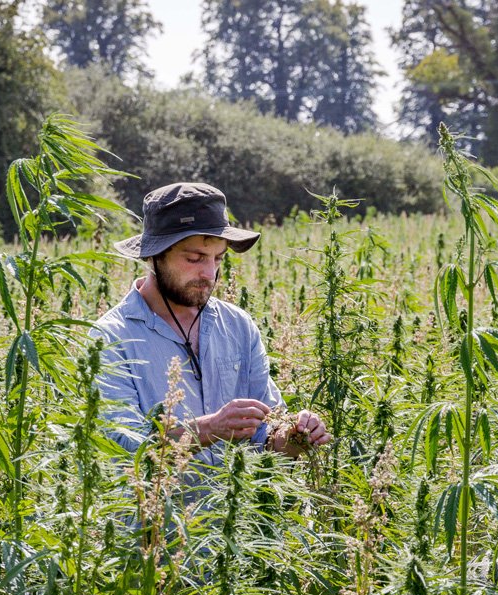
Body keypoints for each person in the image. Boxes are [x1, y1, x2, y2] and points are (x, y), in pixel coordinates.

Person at [92, 182, 330, 467]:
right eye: (194, 258)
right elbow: (122, 445)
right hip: (154, 510)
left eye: (218, 258)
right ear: (154, 256)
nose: (209, 273)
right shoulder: (111, 337)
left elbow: (266, 438)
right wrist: (209, 429)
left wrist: (293, 436)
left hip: (233, 510)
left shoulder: (238, 326)